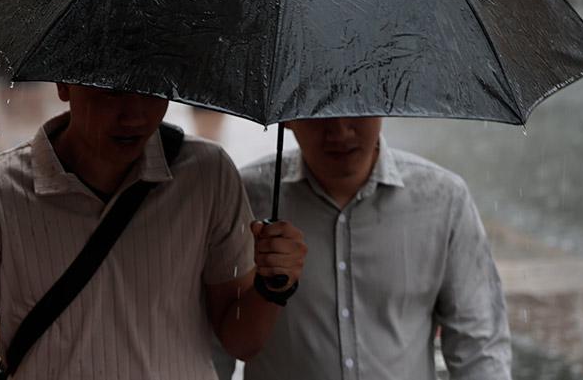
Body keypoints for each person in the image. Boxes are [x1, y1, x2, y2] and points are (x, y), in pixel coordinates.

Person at [0, 83, 307, 380]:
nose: (133, 114)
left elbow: (241, 341)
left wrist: (273, 285)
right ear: (64, 84)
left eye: (151, 89)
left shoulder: (208, 176)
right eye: (111, 91)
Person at [215, 116, 511, 380]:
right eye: (321, 111)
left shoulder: (442, 200)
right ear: (287, 118)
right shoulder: (246, 198)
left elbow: (479, 345)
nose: (340, 131)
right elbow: (214, 347)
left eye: (355, 107)